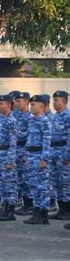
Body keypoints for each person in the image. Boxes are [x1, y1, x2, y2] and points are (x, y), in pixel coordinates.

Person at [0, 94, 18, 221]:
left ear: (10, 105)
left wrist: (10, 160)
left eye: (2, 104)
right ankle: (4, 209)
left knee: (9, 185)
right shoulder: (1, 118)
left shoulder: (12, 120)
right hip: (0, 154)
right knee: (1, 184)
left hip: (7, 155)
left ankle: (10, 212)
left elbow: (13, 142)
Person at [23, 95, 51, 225]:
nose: (31, 107)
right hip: (31, 156)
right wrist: (26, 156)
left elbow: (47, 141)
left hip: (40, 156)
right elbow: (28, 139)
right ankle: (36, 212)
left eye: (34, 105)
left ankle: (43, 215)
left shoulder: (45, 121)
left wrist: (44, 159)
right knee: (33, 186)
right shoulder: (31, 120)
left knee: (42, 187)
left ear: (41, 106)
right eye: (31, 104)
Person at [48, 90, 70, 220]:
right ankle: (61, 210)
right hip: (54, 152)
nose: (54, 103)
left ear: (64, 101)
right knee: (56, 182)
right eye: (53, 100)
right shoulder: (55, 116)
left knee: (66, 183)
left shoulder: (68, 116)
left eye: (56, 100)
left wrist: (68, 156)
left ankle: (67, 211)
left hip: (63, 153)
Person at [13, 92, 33, 215]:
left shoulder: (30, 116)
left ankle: (30, 205)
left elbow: (29, 136)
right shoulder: (15, 115)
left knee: (26, 180)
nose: (17, 103)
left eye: (19, 101)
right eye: (16, 101)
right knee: (19, 179)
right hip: (15, 151)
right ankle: (24, 204)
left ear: (26, 102)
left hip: (25, 150)